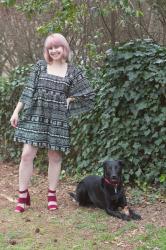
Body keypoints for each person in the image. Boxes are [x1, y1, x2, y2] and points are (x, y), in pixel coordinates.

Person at [10, 33, 94, 213]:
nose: (54, 50)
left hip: (57, 119)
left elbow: (88, 95)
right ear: (47, 50)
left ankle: (51, 195)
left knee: (54, 157)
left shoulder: (73, 72)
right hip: (35, 115)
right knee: (27, 154)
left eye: (57, 47)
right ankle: (23, 194)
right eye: (50, 48)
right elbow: (28, 90)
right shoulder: (40, 67)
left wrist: (70, 99)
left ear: (64, 48)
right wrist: (16, 111)